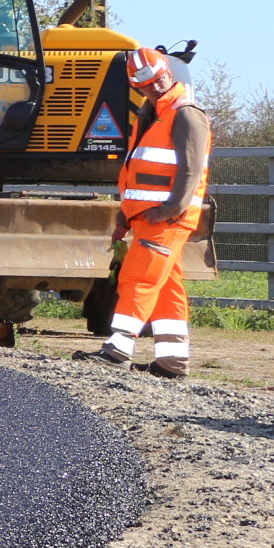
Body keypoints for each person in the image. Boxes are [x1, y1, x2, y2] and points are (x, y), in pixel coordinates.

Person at [81, 46, 212, 378]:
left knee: (136, 279)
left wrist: (171, 210)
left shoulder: (185, 113)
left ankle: (117, 350)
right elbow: (137, 171)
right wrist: (124, 218)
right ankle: (172, 361)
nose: (152, 88)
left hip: (165, 218)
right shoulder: (153, 113)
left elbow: (191, 170)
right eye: (145, 85)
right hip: (150, 215)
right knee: (166, 286)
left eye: (157, 81)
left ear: (168, 73)